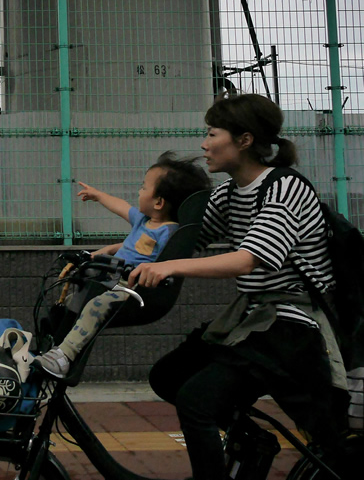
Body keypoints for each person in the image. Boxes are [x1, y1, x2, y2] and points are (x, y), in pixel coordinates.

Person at [128, 94, 348, 480]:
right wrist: (111, 255)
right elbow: (183, 239)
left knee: (196, 402)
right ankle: (252, 441)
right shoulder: (227, 194)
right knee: (168, 376)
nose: (204, 144)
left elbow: (250, 258)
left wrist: (171, 268)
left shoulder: (285, 188)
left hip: (292, 327)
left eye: (212, 134)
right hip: (255, 320)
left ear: (244, 140)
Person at [35, 151, 210, 378]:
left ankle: (64, 356)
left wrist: (112, 253)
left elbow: (152, 257)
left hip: (129, 285)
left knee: (95, 307)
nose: (139, 191)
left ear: (159, 202)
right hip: (111, 275)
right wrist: (98, 196)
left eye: (144, 187)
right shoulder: (143, 221)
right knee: (73, 296)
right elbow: (121, 208)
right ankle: (55, 343)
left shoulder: (168, 232)